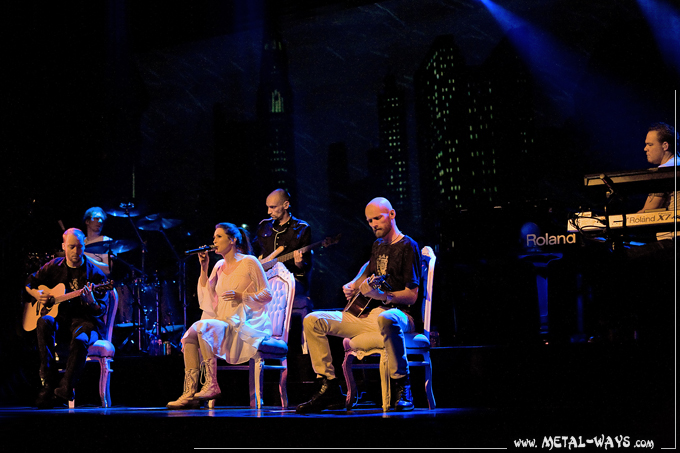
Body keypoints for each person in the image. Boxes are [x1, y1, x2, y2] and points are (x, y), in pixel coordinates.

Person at [296, 197, 421, 413]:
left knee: (386, 317)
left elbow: (412, 295)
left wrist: (383, 296)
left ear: (392, 214)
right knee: (313, 320)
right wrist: (354, 283)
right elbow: (368, 269)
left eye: (377, 218)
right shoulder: (378, 245)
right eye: (369, 220)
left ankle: (403, 385)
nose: (373, 224)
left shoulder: (408, 246)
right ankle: (329, 385)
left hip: (400, 316)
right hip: (369, 317)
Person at [167, 223, 272, 409]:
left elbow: (267, 294)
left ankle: (211, 383)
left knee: (203, 327)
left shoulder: (249, 262)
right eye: (214, 237)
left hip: (243, 323)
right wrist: (204, 268)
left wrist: (243, 296)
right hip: (222, 321)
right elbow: (207, 298)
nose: (213, 241)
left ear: (233, 240)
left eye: (219, 237)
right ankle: (190, 392)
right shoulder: (219, 265)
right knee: (189, 335)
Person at [26, 228, 109, 408]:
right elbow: (29, 283)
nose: (75, 252)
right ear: (64, 246)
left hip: (85, 323)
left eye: (79, 247)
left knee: (80, 340)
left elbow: (101, 310)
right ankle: (48, 383)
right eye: (71, 247)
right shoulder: (53, 266)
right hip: (61, 321)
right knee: (43, 321)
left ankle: (63, 391)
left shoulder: (95, 274)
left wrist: (91, 301)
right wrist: (38, 294)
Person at [253, 189, 313, 347]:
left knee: (275, 287)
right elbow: (254, 254)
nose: (268, 211)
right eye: (268, 207)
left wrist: (299, 262)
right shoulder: (264, 226)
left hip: (294, 281)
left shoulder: (302, 228)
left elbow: (305, 266)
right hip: (266, 280)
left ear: (286, 205)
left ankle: (277, 341)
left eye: (273, 207)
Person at [82, 207, 113, 276]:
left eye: (102, 219)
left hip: (98, 283)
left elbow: (107, 270)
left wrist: (85, 258)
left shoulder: (106, 241)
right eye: (96, 218)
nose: (100, 221)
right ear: (87, 221)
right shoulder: (81, 241)